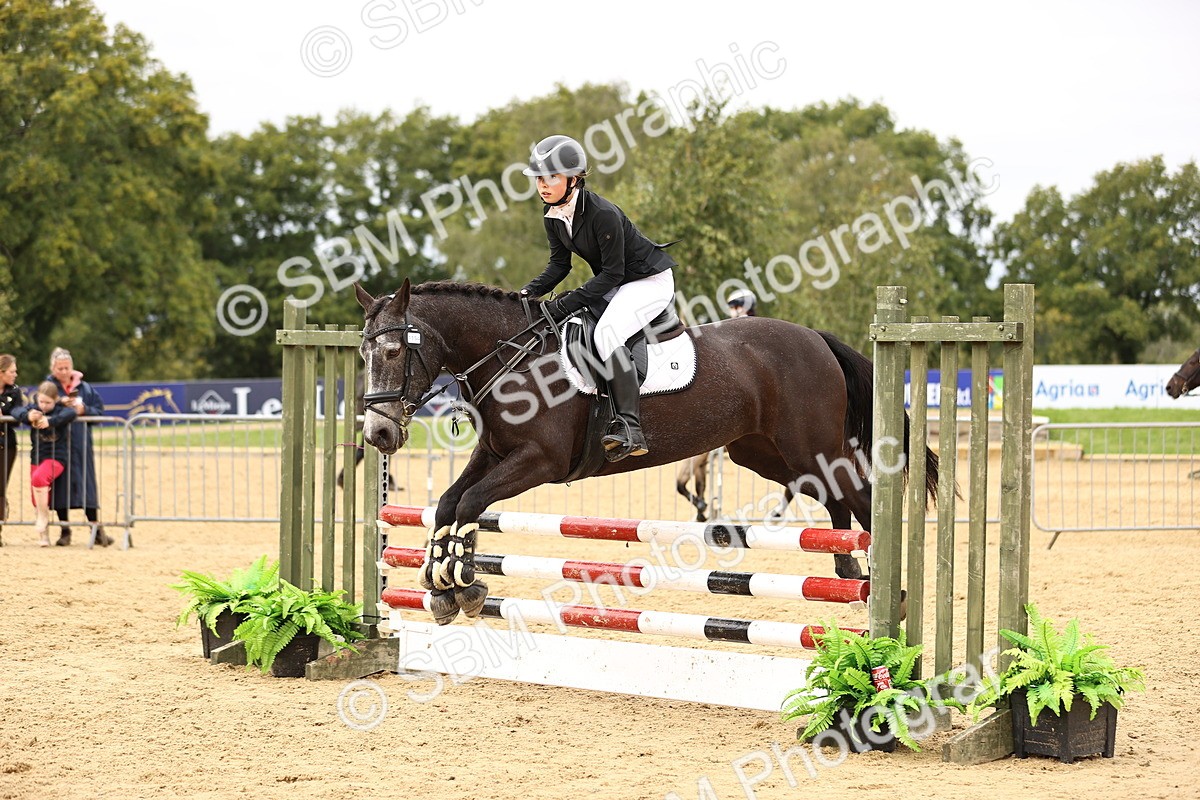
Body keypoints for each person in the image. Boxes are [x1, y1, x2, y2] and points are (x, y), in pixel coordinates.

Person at [518, 135, 677, 461]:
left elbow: (612, 275)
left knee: (607, 333)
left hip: (649, 282)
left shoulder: (602, 213)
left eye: (551, 177)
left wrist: (567, 301)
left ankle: (631, 430)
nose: (543, 185)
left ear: (573, 179)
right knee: (575, 322)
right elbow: (559, 265)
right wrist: (527, 292)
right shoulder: (553, 214)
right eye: (538, 178)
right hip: (618, 284)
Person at [46, 348, 113, 547]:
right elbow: (41, 407)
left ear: (72, 367)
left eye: (67, 368)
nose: (64, 372)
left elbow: (100, 412)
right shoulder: (49, 388)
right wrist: (60, 406)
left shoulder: (86, 388)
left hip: (82, 444)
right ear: (53, 368)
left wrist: (84, 410)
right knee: (60, 488)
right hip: (57, 444)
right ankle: (65, 531)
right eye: (60, 368)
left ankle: (97, 530)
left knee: (87, 487)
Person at [11, 382, 76, 546]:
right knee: (36, 497)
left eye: (48, 402)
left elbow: (71, 413)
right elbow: (16, 410)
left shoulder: (60, 411)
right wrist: (28, 416)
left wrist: (51, 421)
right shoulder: (34, 408)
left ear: (56, 400)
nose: (44, 406)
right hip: (36, 457)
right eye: (41, 402)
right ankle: (44, 536)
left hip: (56, 457)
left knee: (39, 478)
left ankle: (43, 517)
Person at [0, 355, 21, 546]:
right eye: (12, 371)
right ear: (1, 373)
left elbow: (18, 417)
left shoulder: (14, 392)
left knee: (0, 487)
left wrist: (3, 415)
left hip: (7, 444)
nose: (15, 374)